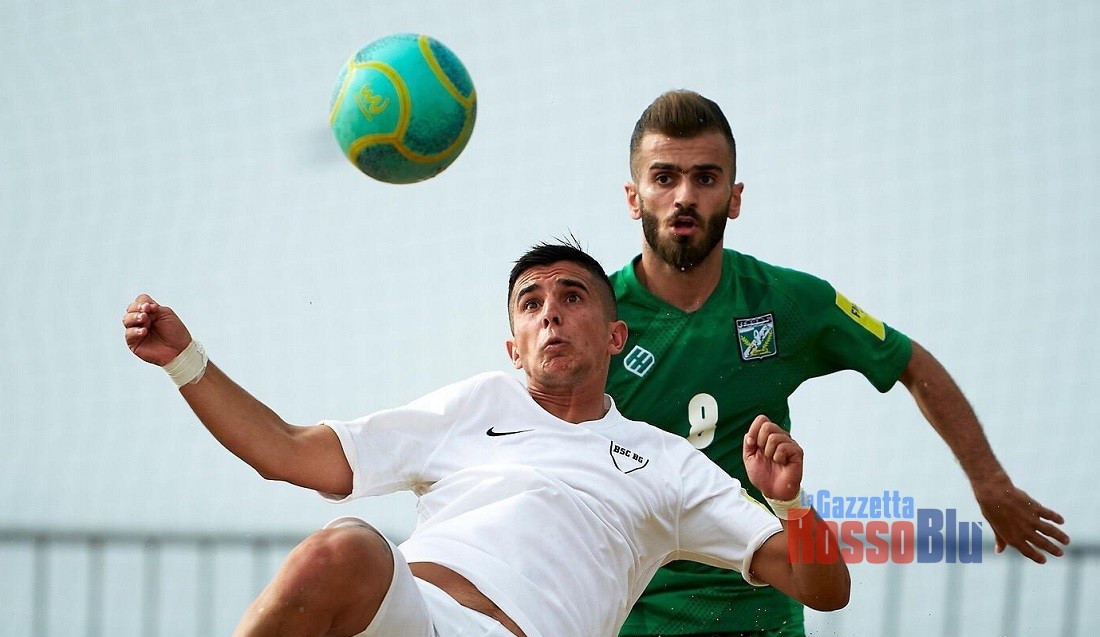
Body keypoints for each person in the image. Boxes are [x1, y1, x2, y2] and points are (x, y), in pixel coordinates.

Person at [121, 240, 849, 637]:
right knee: (341, 551)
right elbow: (285, 450)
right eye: (531, 303)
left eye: (572, 297)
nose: (550, 313)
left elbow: (826, 588)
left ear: (616, 335)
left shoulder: (666, 461)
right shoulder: (476, 403)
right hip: (411, 617)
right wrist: (185, 361)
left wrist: (792, 506)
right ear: (514, 347)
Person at [606, 89, 1071, 637]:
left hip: (762, 610)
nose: (684, 196)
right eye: (664, 178)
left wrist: (990, 482)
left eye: (706, 178)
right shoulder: (592, 320)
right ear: (634, 197)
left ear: (734, 198)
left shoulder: (786, 301)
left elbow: (910, 361)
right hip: (629, 611)